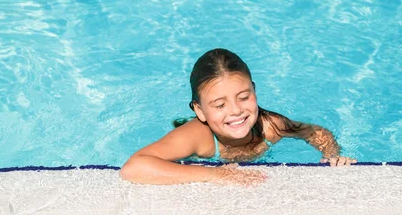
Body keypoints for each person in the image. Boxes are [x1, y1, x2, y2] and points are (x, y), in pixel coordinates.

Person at [120, 48, 356, 185]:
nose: (235, 111)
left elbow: (316, 133)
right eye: (219, 104)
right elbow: (133, 167)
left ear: (254, 90)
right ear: (200, 111)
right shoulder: (198, 136)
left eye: (243, 97)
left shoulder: (270, 126)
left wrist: (331, 157)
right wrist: (213, 173)